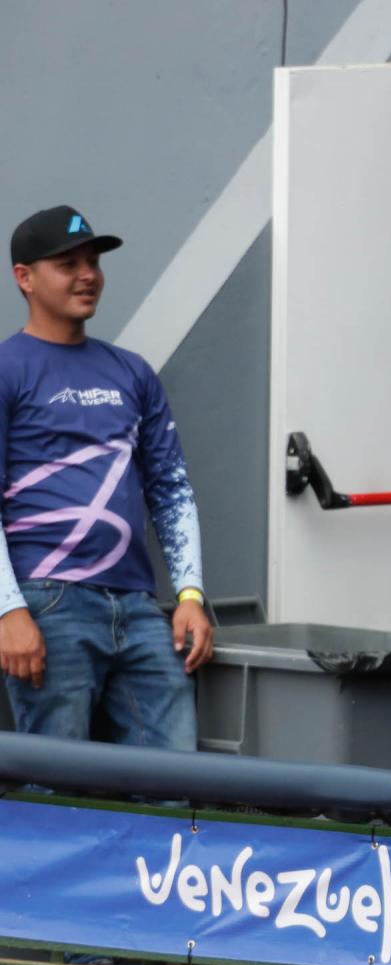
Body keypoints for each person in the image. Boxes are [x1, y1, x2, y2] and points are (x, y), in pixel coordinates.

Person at [0, 206, 212, 748]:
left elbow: (171, 488)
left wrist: (190, 595)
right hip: (47, 603)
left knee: (172, 784)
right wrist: (8, 611)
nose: (88, 274)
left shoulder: (132, 371)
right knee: (56, 790)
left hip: (140, 607)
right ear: (24, 277)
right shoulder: (8, 369)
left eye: (92, 261)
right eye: (67, 263)